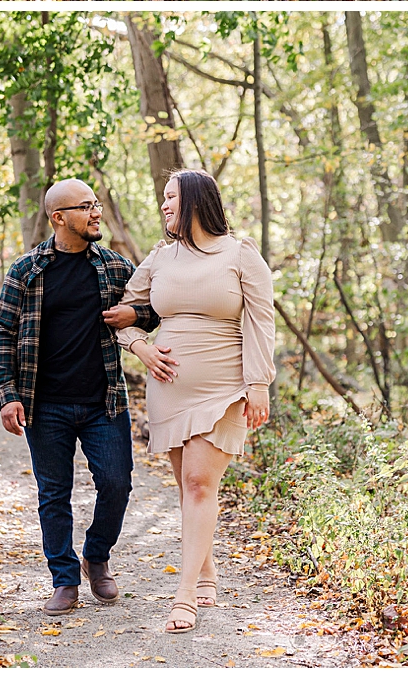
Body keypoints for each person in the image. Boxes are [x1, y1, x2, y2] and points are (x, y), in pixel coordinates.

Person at [0, 178, 173, 613]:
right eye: (87, 206)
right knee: (54, 493)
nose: (97, 213)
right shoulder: (26, 271)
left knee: (117, 482)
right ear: (59, 217)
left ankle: (96, 555)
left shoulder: (114, 267)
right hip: (43, 404)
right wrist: (7, 394)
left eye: (97, 204)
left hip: (103, 401)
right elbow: (2, 335)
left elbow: (153, 308)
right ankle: (64, 579)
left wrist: (137, 313)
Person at [103, 169, 274, 635]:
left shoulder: (241, 255)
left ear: (196, 201)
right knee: (187, 485)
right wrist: (140, 347)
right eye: (163, 198)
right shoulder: (160, 257)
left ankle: (184, 598)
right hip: (170, 387)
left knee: (199, 483)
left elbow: (261, 322)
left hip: (225, 387)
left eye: (171, 197)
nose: (164, 206)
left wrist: (259, 383)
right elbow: (122, 314)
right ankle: (207, 572)